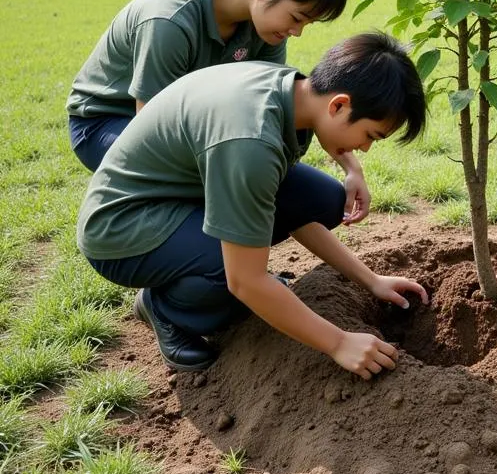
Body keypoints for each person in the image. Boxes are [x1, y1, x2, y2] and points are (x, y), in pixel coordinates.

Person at [77, 32, 429, 377]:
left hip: (181, 195)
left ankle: (190, 265)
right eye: (370, 136)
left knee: (321, 200)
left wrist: (370, 280)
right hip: (120, 228)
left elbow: (289, 209)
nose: (365, 149)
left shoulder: (290, 93)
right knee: (230, 277)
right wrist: (338, 343)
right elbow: (246, 280)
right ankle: (165, 308)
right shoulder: (252, 141)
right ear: (338, 104)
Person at [66, 0, 371, 224]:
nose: (298, 32)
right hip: (109, 123)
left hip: (189, 128)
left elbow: (283, 110)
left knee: (321, 200)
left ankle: (231, 263)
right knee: (233, 180)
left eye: (308, 24)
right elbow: (153, 134)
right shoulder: (169, 21)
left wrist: (350, 165)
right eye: (297, 18)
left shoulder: (266, 30)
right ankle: (210, 264)